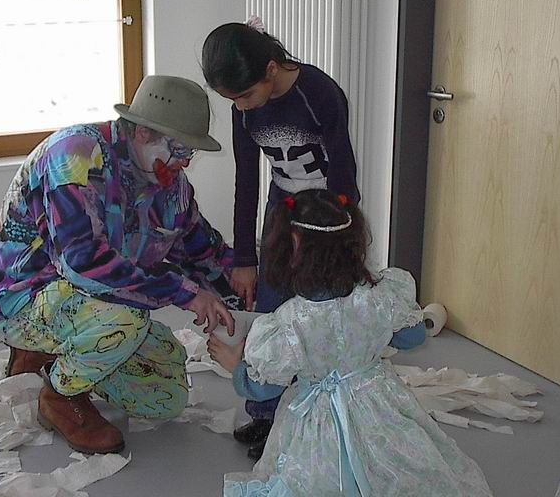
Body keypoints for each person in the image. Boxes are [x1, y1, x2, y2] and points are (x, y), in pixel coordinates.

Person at [0, 75, 241, 455]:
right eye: (180, 148)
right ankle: (60, 396)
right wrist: (186, 293)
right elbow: (81, 263)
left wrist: (250, 297)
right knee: (127, 318)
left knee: (166, 399)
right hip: (23, 298)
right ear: (143, 133)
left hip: (94, 305)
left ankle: (53, 355)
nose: (185, 161)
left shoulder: (171, 185)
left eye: (191, 152)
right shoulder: (74, 157)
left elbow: (202, 251)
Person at [207, 189, 493, 496]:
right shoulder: (381, 296)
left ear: (293, 246)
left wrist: (236, 366)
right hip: (379, 404)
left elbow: (265, 388)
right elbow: (413, 337)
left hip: (318, 425)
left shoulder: (290, 322)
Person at [202, 17, 360, 458]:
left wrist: (343, 240)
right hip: (282, 206)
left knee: (317, 312)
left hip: (325, 214)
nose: (241, 107)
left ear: (271, 69)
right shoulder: (243, 108)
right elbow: (247, 181)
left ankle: (315, 417)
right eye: (232, 100)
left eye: (245, 96)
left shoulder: (320, 93)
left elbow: (344, 170)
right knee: (271, 312)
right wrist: (244, 258)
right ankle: (266, 415)